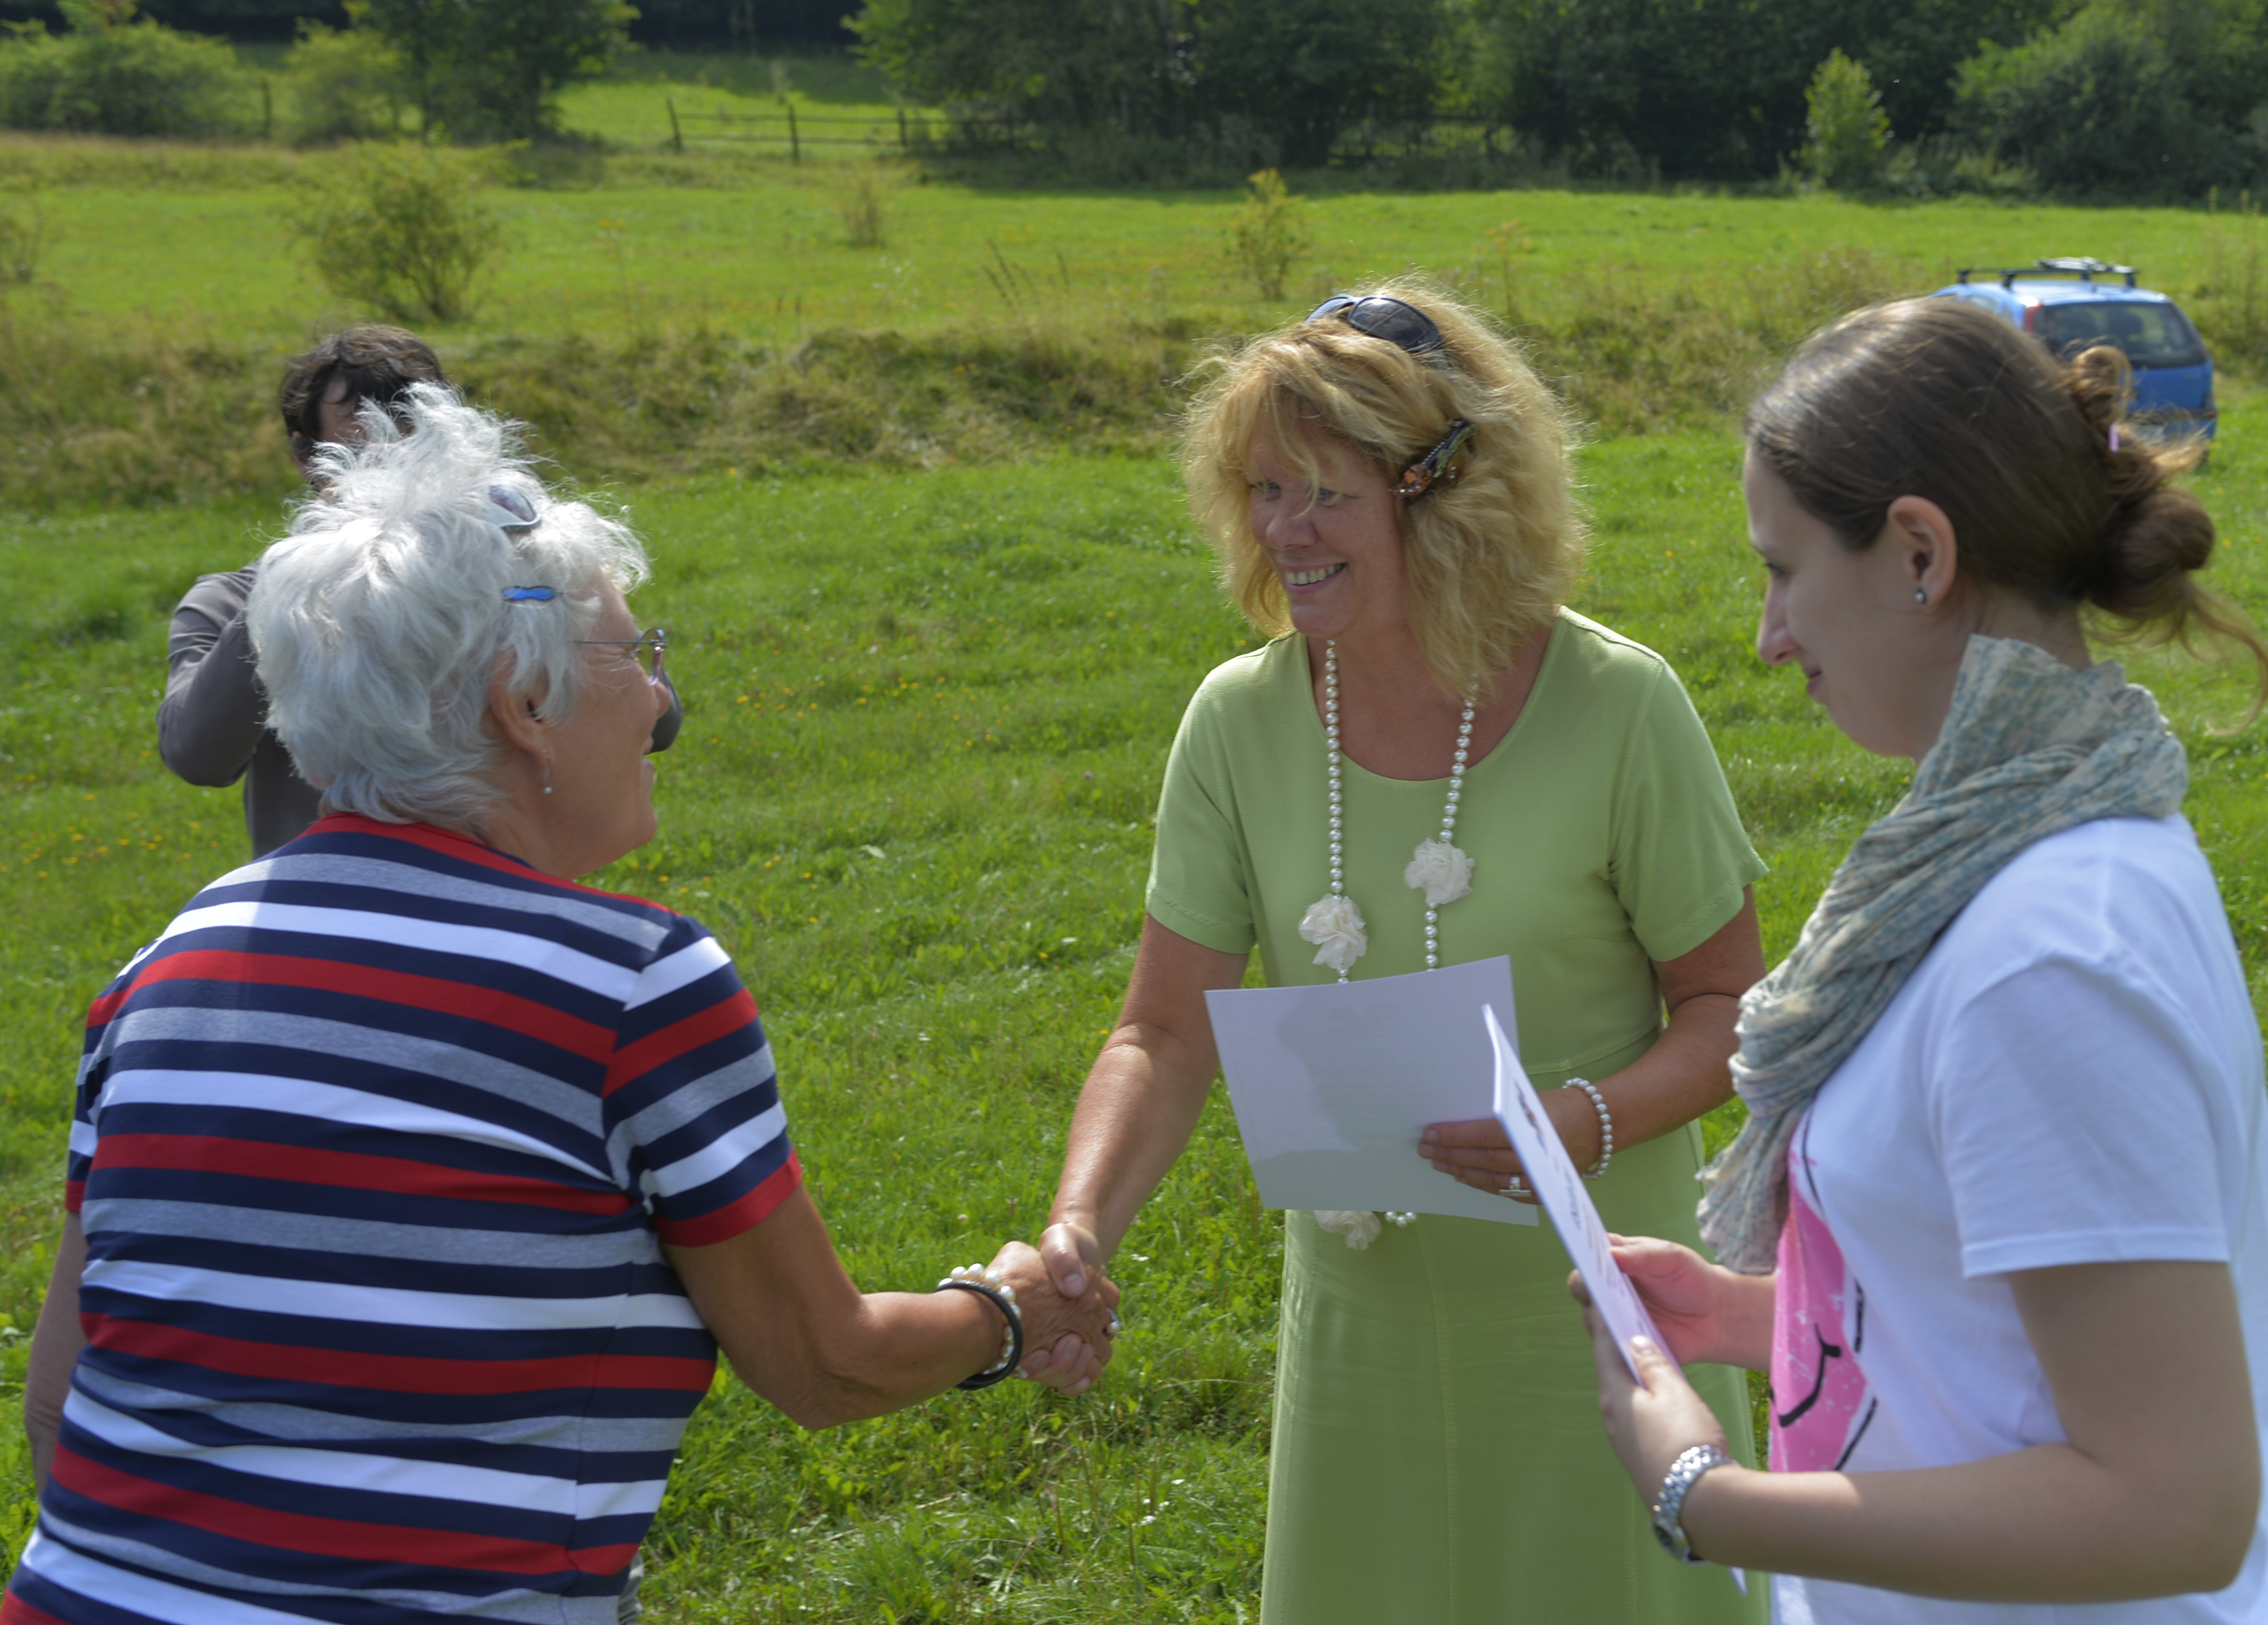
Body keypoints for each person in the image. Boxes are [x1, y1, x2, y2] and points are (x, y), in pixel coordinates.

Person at [9, 388, 1115, 1624]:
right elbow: (824, 1364)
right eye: (634, 656)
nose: (657, 700)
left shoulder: (164, 963)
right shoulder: (631, 985)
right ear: (523, 705)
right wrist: (1006, 1313)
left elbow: (58, 1399)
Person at [1037, 283, 1770, 1623]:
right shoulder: (1236, 724)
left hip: (1598, 1327)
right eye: (1265, 489)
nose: (1285, 531)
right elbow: (1162, 1031)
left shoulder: (1621, 705)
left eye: (1326, 493)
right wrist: (1080, 1224)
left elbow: (1729, 1005)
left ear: (1447, 496)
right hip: (1361, 1344)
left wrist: (1582, 1122)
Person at [1578, 298, 2268, 1624]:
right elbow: (2001, 1313)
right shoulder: (2010, 850)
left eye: (1783, 569)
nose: (1769, 635)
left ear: (1920, 553)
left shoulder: (2048, 956)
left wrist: (1704, 1494)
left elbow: (2177, 1507)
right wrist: (1748, 1318)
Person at [157, 326, 452, 858]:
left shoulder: (512, 575)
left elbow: (628, 732)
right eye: (365, 459)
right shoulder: (231, 602)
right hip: (317, 897)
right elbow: (197, 756)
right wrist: (291, 586)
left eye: (417, 453)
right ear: (306, 458)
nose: (396, 482)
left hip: (487, 895)